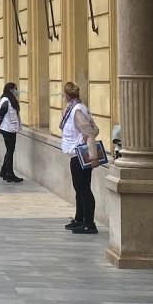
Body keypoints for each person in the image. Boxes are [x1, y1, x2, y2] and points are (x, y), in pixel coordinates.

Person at [60, 81, 100, 234]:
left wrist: (93, 156)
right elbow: (95, 129)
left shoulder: (76, 110)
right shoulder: (76, 108)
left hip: (81, 155)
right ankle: (80, 219)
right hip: (76, 154)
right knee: (79, 188)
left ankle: (89, 224)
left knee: (84, 189)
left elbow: (90, 132)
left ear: (67, 95)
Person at [0, 82, 23, 183]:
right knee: (10, 151)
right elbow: (1, 114)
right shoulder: (6, 100)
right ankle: (9, 174)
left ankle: (4, 171)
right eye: (15, 89)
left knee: (9, 150)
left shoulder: (11, 99)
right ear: (10, 90)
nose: (17, 91)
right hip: (7, 129)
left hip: (10, 128)